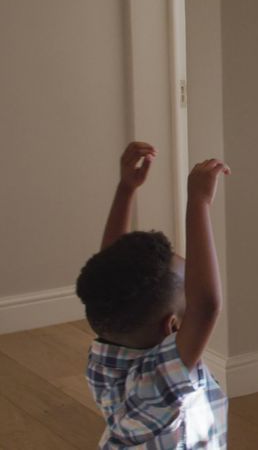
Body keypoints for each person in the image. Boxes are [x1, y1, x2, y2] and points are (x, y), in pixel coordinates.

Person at [76, 141, 230, 448]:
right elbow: (207, 306)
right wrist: (198, 203)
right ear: (172, 326)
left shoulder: (110, 353)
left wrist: (126, 189)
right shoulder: (156, 380)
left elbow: (113, 269)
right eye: (188, 289)